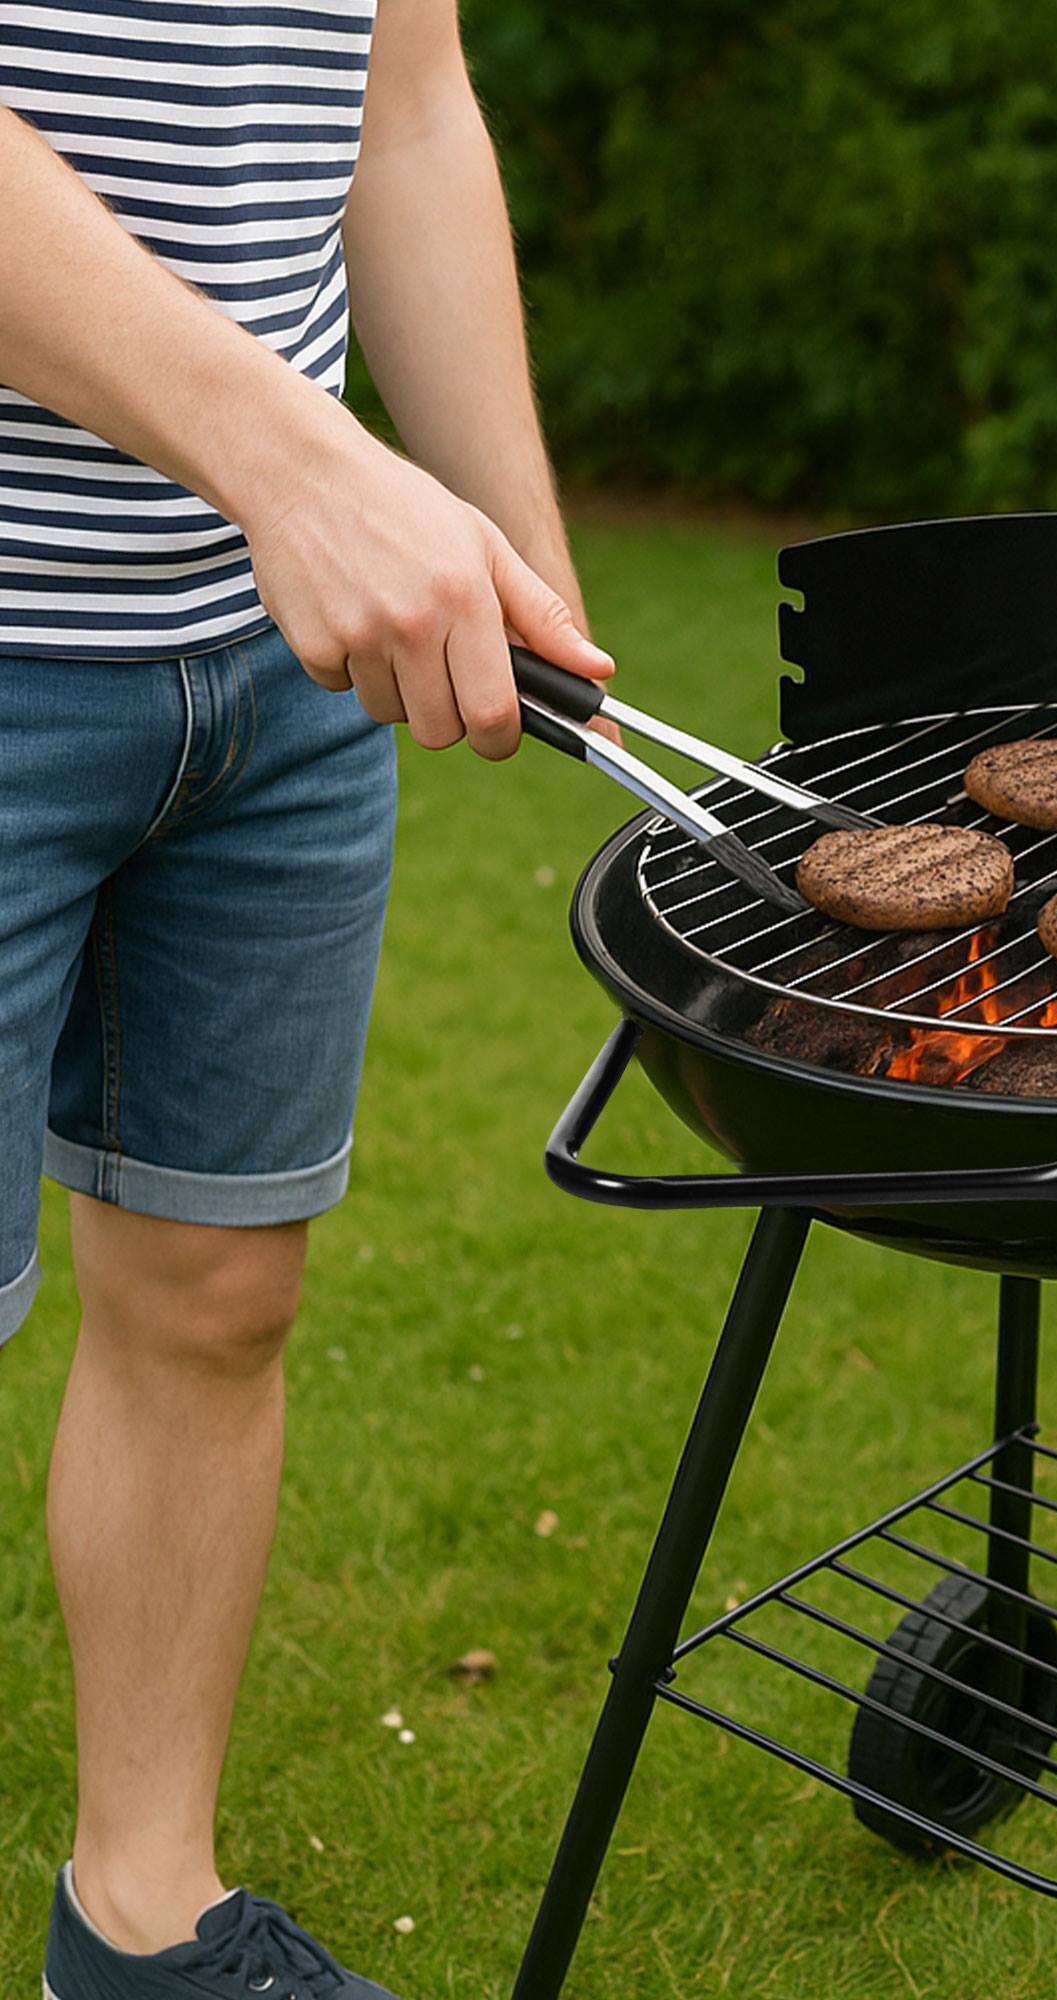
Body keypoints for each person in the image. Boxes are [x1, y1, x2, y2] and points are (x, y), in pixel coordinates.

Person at [0, 3, 610, 1994]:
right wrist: (302, 459)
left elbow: (402, 104)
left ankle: (144, 1919)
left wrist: (518, 555)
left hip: (280, 677)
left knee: (215, 1286)